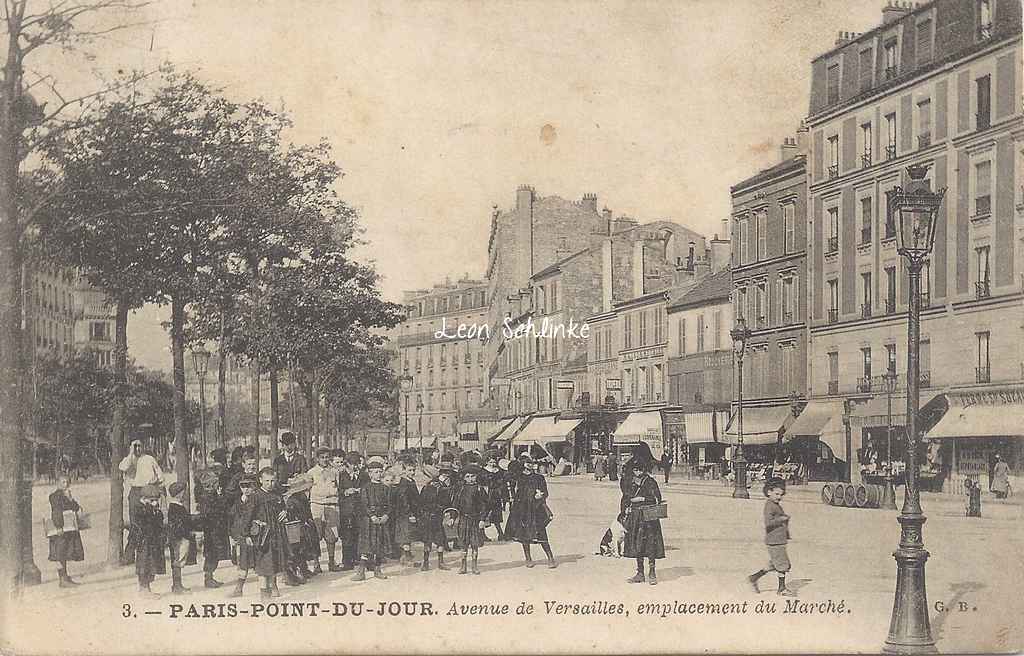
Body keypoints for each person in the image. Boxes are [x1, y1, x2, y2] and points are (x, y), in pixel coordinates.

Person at [231, 467, 288, 599]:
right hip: (262, 537)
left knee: (273, 563)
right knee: (263, 566)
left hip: (276, 535)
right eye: (267, 481)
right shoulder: (255, 496)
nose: (270, 484)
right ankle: (264, 595)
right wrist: (247, 535)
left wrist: (285, 511)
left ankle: (273, 587)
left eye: (273, 481)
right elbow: (247, 517)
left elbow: (282, 507)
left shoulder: (276, 495)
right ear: (261, 480)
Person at [747, 478, 797, 597]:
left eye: (781, 494)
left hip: (778, 539)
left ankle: (754, 577)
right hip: (774, 540)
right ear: (769, 492)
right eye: (776, 494)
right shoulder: (769, 506)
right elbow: (768, 522)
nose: (779, 497)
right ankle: (781, 588)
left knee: (776, 564)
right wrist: (782, 519)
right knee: (783, 565)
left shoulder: (774, 505)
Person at [118, 439, 164, 564]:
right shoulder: (129, 459)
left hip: (149, 490)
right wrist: (131, 453)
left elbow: (160, 476)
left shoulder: (149, 459)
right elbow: (122, 467)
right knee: (135, 525)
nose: (138, 448)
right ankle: (130, 555)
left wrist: (156, 488)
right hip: (135, 492)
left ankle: (151, 555)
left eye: (139, 446)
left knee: (151, 523)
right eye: (135, 446)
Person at [506, 455, 556, 569]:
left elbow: (545, 492)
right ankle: (528, 558)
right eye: (527, 462)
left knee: (541, 533)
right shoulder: (518, 477)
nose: (530, 464)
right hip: (522, 509)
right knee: (524, 535)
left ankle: (550, 558)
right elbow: (508, 479)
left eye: (531, 462)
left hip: (536, 508)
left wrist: (541, 495)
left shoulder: (539, 477)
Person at [623, 455, 665, 585]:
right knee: (637, 544)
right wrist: (625, 508)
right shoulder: (629, 482)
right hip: (635, 517)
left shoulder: (650, 481)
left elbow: (657, 498)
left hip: (648, 517)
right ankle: (640, 572)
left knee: (650, 543)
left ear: (644, 470)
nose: (638, 472)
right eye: (635, 470)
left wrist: (642, 499)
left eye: (640, 470)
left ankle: (652, 572)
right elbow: (625, 497)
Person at [353, 456, 391, 581]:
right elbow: (364, 504)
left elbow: (390, 505)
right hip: (369, 521)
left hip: (382, 520)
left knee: (379, 545)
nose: (379, 474)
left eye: (380, 472)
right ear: (370, 474)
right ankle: (361, 572)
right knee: (366, 546)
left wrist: (386, 515)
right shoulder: (366, 488)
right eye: (375, 472)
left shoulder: (386, 488)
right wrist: (372, 515)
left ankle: (377, 570)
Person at [195, 460, 231, 588]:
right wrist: (221, 498)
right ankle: (208, 578)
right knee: (212, 554)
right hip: (213, 531)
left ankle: (210, 577)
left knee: (213, 554)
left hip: (214, 530)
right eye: (215, 483)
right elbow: (216, 511)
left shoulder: (209, 496)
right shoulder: (209, 497)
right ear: (210, 484)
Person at [308, 447, 343, 573]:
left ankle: (331, 562)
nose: (325, 459)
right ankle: (316, 564)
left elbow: (338, 487)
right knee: (315, 535)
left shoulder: (334, 472)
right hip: (317, 505)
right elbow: (307, 491)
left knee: (332, 534)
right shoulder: (311, 473)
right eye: (322, 457)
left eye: (327, 457)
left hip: (332, 505)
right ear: (317, 458)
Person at [129, 485, 166, 597]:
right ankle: (143, 588)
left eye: (156, 500)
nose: (155, 503)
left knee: (151, 565)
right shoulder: (139, 509)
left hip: (152, 541)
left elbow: (158, 523)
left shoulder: (152, 509)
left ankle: (147, 589)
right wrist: (151, 510)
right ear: (144, 499)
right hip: (143, 542)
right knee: (144, 565)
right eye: (152, 500)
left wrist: (156, 512)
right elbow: (143, 524)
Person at [47, 476, 84, 588]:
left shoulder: (66, 495)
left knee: (66, 552)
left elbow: (76, 508)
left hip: (68, 528)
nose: (65, 484)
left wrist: (70, 498)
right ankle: (62, 579)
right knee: (60, 553)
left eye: (67, 482)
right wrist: (58, 526)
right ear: (58, 483)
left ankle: (65, 577)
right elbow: (56, 511)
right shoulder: (54, 496)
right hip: (61, 529)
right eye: (63, 482)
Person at [282, 475, 319, 585]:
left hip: (304, 526)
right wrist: (303, 520)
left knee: (304, 548)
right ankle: (294, 573)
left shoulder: (302, 497)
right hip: (296, 527)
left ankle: (304, 569)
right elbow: (292, 515)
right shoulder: (292, 500)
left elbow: (307, 511)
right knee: (296, 550)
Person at [418, 463, 454, 571]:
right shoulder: (439, 487)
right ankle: (433, 562)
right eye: (445, 473)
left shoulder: (430, 485)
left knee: (436, 540)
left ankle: (430, 563)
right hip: (433, 516)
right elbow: (444, 503)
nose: (447, 475)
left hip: (431, 516)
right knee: (436, 540)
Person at [453, 464, 487, 575]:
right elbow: (456, 505)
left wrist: (482, 519)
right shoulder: (461, 489)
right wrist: (453, 517)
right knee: (463, 543)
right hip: (463, 519)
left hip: (475, 520)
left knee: (474, 543)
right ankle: (463, 566)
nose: (470, 479)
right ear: (463, 477)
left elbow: (484, 505)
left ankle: (474, 566)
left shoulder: (479, 489)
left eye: (473, 476)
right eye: (467, 476)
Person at [166, 481, 196, 595]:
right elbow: (179, 525)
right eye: (183, 491)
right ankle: (177, 586)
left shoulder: (176, 506)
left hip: (180, 537)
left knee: (178, 561)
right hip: (179, 538)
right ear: (179, 493)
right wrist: (185, 534)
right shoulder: (176, 508)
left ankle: (177, 585)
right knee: (178, 561)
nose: (184, 494)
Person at [337, 451, 363, 571]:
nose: (355, 466)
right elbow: (337, 491)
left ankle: (357, 558)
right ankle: (347, 561)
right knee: (346, 536)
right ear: (347, 464)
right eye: (353, 464)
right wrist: (346, 492)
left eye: (357, 464)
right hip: (346, 510)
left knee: (357, 534)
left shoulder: (362, 475)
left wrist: (359, 490)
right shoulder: (341, 475)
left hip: (358, 510)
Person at [391, 458, 420, 566]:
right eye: (409, 470)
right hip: (405, 514)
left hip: (410, 512)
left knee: (408, 536)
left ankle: (404, 557)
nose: (412, 472)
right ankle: (407, 558)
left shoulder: (411, 481)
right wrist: (410, 514)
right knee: (406, 537)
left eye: (413, 470)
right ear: (404, 471)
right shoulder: (404, 483)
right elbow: (404, 501)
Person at [481, 454, 509, 541]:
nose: (492, 464)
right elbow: (482, 482)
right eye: (490, 462)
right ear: (487, 462)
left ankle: (500, 533)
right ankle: (482, 534)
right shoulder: (483, 471)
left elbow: (503, 482)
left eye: (494, 462)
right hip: (486, 494)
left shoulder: (499, 471)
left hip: (496, 494)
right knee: (484, 514)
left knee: (496, 514)